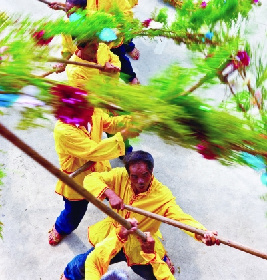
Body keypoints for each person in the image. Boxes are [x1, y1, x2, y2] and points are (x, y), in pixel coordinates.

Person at [60, 151, 220, 279]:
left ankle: (161, 259)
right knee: (84, 263)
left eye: (145, 175)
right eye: (134, 177)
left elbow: (181, 218)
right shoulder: (119, 176)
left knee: (154, 274)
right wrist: (110, 193)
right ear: (128, 174)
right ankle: (69, 275)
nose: (140, 181)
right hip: (114, 237)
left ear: (152, 172)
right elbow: (91, 179)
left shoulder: (162, 194)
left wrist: (201, 233)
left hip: (142, 245)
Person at [48, 105, 140, 246]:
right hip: (78, 182)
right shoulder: (64, 131)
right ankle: (61, 228)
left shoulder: (93, 110)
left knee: (121, 197)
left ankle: (130, 225)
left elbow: (109, 123)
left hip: (99, 171)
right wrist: (123, 137)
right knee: (74, 211)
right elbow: (93, 151)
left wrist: (131, 121)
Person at [81, 0, 139, 84]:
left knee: (119, 56)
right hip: (94, 33)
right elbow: (81, 8)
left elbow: (127, 14)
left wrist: (111, 23)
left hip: (111, 34)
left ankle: (131, 77)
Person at [60, 218, 176, 280]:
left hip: (127, 245)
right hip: (140, 251)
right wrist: (152, 256)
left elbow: (93, 261)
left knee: (85, 263)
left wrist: (119, 237)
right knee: (155, 275)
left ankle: (70, 274)